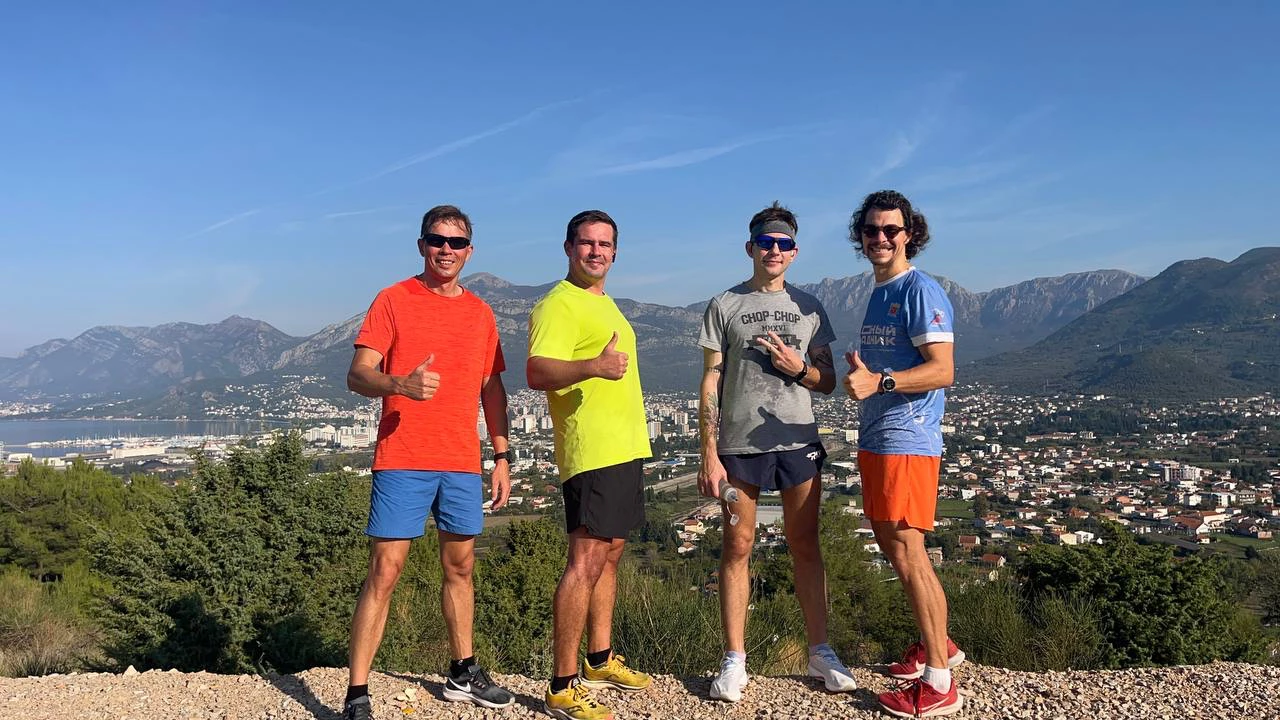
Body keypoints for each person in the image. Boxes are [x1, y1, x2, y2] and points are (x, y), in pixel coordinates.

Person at [342, 205, 514, 720]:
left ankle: (463, 671)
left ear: (469, 252)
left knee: (461, 567)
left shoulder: (481, 313)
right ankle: (357, 693)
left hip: (460, 460)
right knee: (385, 571)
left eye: (456, 243)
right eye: (437, 240)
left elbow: (492, 387)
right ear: (422, 245)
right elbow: (357, 374)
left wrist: (502, 455)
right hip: (403, 456)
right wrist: (399, 383)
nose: (446, 250)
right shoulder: (393, 299)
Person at [696, 202, 856, 703]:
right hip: (739, 444)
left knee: (806, 544)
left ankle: (820, 650)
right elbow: (711, 378)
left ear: (795, 252)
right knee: (737, 545)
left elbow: (827, 381)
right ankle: (734, 658)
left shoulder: (810, 307)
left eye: (784, 243)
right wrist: (707, 451)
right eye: (766, 242)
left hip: (798, 442)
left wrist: (798, 368)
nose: (774, 250)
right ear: (751, 247)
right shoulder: (724, 304)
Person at [842, 190, 965, 718]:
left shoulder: (919, 289)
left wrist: (881, 382)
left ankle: (939, 682)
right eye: (872, 230)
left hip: (907, 439)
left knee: (910, 553)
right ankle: (941, 646)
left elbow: (943, 369)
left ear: (909, 234)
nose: (881, 238)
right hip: (879, 437)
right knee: (894, 547)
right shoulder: (881, 290)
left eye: (891, 229)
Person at [527, 210, 653, 720]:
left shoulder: (603, 302)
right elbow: (537, 371)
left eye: (604, 244)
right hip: (592, 451)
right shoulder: (557, 303)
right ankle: (561, 685)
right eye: (586, 243)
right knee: (584, 561)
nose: (596, 251)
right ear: (568, 247)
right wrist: (593, 367)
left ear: (615, 252)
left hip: (623, 448)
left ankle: (599, 660)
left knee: (610, 553)